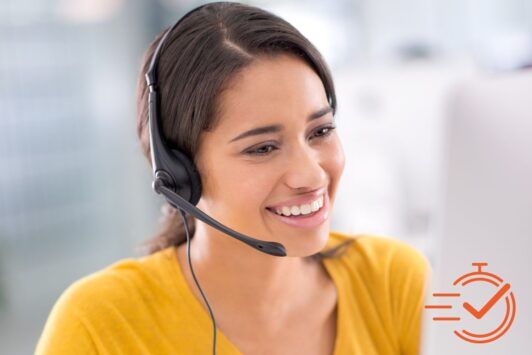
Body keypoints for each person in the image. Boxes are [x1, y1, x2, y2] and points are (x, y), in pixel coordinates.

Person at [35, 2, 430, 354]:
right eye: (262, 148)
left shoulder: (395, 280)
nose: (311, 174)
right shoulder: (99, 325)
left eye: (320, 131)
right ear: (179, 171)